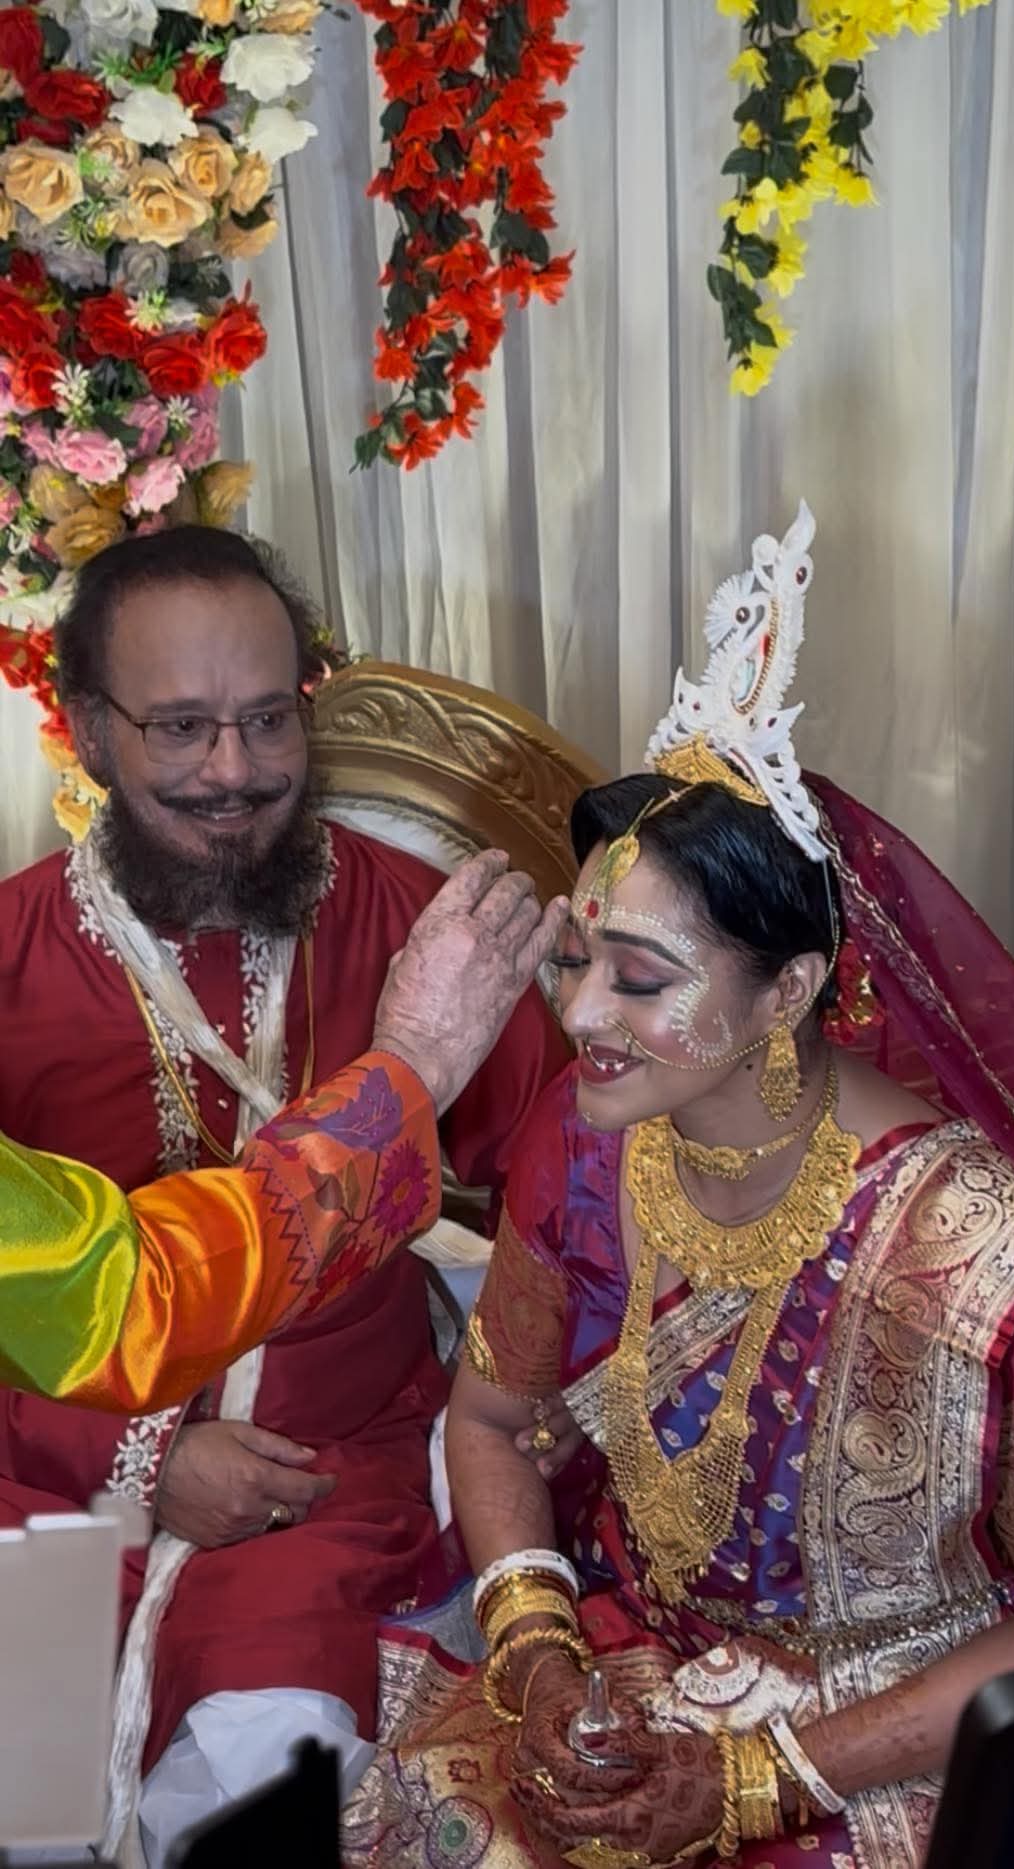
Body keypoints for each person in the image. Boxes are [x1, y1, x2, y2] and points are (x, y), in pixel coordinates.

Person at [340, 505, 1014, 1869]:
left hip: (889, 1736)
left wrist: (758, 1781)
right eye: (574, 958)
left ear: (788, 990)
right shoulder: (585, 1144)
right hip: (627, 1671)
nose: (579, 1013)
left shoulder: (986, 1267)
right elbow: (487, 1417)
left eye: (640, 978)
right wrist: (539, 1656)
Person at [0, 526, 566, 1864]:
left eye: (267, 719)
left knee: (261, 1795)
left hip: (332, 1476)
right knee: (25, 1798)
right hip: (51, 1478)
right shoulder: (11, 961)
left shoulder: (415, 924)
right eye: (182, 728)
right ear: (91, 728)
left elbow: (564, 1189)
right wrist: (142, 1461)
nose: (234, 772)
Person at [1, 851, 564, 1413]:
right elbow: (122, 1316)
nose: (225, 795)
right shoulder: (15, 938)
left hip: (366, 1429)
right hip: (65, 1447)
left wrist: (511, 1402)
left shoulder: (424, 917)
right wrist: (415, 1062)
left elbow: (559, 1186)